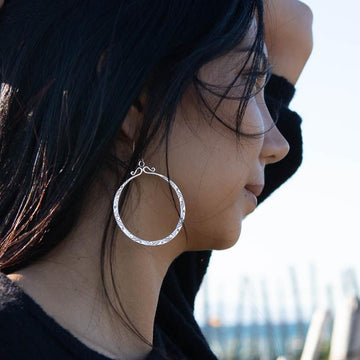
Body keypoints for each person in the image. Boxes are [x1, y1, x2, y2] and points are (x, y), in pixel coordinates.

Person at [0, 0, 313, 359]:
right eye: (250, 82)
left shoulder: (157, 308)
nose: (278, 145)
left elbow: (295, 25)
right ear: (136, 100)